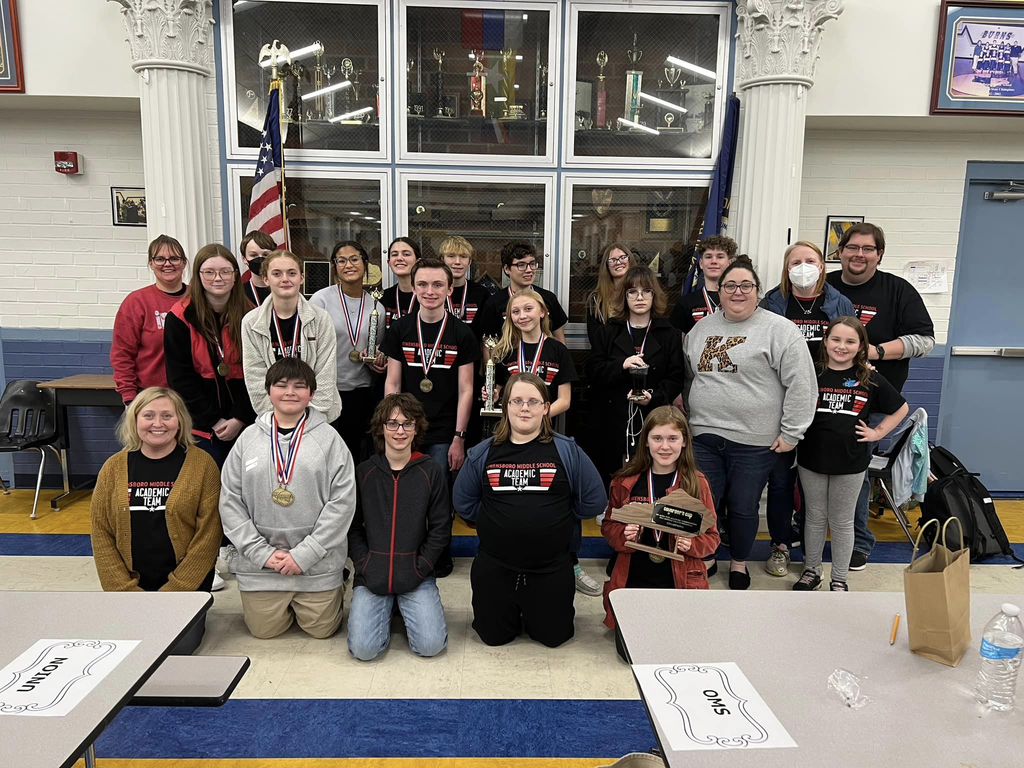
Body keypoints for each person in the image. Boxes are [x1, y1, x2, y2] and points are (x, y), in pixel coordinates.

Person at [683, 258, 817, 589]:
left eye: (746, 286)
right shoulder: (702, 329)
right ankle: (708, 556)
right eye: (730, 286)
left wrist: (791, 433)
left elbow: (802, 384)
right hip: (704, 437)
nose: (738, 292)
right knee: (703, 504)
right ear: (719, 291)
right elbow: (689, 378)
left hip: (755, 442)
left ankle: (739, 563)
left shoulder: (780, 330)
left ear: (758, 291)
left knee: (744, 507)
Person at [453, 373, 607, 648]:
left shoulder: (567, 451)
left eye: (533, 401)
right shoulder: (483, 453)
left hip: (551, 569)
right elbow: (464, 502)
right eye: (517, 401)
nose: (525, 408)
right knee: (493, 638)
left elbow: (593, 500)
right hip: (495, 568)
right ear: (506, 406)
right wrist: (496, 520)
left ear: (546, 407)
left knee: (554, 638)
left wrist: (557, 516)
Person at [219, 358, 356, 639]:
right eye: (281, 385)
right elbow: (230, 501)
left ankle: (335, 584)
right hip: (261, 567)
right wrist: (262, 553)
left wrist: (305, 554)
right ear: (268, 391)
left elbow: (343, 502)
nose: (290, 392)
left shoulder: (330, 439)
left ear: (312, 394)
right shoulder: (247, 440)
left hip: (317, 565)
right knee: (264, 631)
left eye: (299, 386)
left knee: (322, 631)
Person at [825, 222, 935, 570]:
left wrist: (877, 352)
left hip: (870, 405)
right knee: (811, 465)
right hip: (820, 397)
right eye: (852, 247)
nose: (859, 254)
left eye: (867, 249)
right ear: (839, 252)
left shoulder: (898, 290)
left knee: (853, 474)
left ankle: (858, 541)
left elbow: (924, 341)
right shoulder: (822, 285)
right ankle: (809, 528)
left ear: (879, 254)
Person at [90, 388, 221, 654]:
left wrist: (175, 591)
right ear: (135, 419)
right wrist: (125, 592)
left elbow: (209, 536)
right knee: (123, 649)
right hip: (130, 589)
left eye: (167, 416)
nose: (157, 424)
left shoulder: (202, 464)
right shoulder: (114, 467)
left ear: (180, 421)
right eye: (148, 415)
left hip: (184, 591)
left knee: (173, 650)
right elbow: (101, 533)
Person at [758, 241, 855, 577]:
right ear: (786, 268)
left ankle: (819, 553)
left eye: (810, 260)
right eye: (796, 261)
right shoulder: (772, 302)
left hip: (828, 402)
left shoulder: (838, 302)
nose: (803, 266)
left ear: (821, 266)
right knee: (781, 481)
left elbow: (852, 342)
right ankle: (781, 545)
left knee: (820, 480)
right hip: (782, 402)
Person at [794, 317, 908, 592]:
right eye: (836, 339)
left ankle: (839, 578)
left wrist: (878, 432)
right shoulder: (813, 372)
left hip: (851, 461)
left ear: (860, 346)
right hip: (812, 458)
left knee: (842, 520)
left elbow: (900, 408)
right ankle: (812, 571)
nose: (841, 346)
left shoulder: (868, 377)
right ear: (825, 341)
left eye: (850, 341)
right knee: (815, 517)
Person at [381, 259, 479, 578]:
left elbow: (467, 390)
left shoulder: (462, 333)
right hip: (405, 429)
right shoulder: (401, 328)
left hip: (444, 431)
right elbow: (393, 383)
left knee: (439, 498)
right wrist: (391, 427)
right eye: (422, 284)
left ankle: (440, 552)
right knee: (405, 494)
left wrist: (459, 438)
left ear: (450, 289)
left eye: (438, 285)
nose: (429, 291)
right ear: (414, 287)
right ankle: (408, 549)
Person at [601, 406, 720, 641]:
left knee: (673, 646)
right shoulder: (624, 481)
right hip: (634, 577)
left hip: (679, 581)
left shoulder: (697, 483)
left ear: (684, 441)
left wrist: (692, 544)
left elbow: (713, 538)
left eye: (672, 439)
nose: (665, 447)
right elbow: (608, 525)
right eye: (657, 438)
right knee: (631, 652)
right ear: (646, 441)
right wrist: (624, 533)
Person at [347, 394, 450, 661]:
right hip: (373, 576)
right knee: (363, 650)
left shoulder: (431, 471)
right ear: (381, 428)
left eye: (407, 423)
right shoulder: (364, 472)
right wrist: (364, 563)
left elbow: (440, 528)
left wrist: (421, 566)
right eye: (392, 423)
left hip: (415, 576)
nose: (400, 431)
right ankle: (389, 607)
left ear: (417, 428)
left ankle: (402, 605)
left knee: (431, 646)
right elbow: (352, 527)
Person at [586, 265, 685, 485]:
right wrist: (621, 364)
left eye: (646, 291)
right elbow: (592, 372)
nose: (639, 297)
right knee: (614, 474)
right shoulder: (607, 331)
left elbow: (676, 377)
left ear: (654, 295)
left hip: (652, 416)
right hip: (613, 418)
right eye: (632, 292)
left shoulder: (669, 334)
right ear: (624, 296)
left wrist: (654, 397)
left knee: (649, 471)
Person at [164, 244, 256, 468]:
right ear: (198, 275)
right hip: (201, 424)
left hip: (246, 421)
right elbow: (180, 377)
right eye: (209, 272)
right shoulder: (179, 317)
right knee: (207, 488)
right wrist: (214, 420)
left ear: (235, 275)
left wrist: (239, 418)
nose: (218, 278)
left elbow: (259, 373)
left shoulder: (252, 315)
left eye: (225, 271)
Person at [240, 249, 342, 422]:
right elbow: (255, 376)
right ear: (266, 279)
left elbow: (326, 373)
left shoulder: (321, 319)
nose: (285, 279)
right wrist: (277, 417)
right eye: (277, 274)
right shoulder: (251, 323)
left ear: (301, 278)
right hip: (273, 418)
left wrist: (311, 417)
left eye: (292, 273)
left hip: (319, 417)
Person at [309, 241, 385, 461]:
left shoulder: (375, 306)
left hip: (360, 393)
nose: (348, 265)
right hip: (326, 390)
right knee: (323, 454)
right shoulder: (320, 300)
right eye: (341, 260)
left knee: (351, 453)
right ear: (335, 266)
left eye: (354, 259)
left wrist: (375, 361)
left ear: (365, 263)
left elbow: (375, 353)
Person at [111, 235, 188, 407]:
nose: (167, 264)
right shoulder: (136, 302)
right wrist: (129, 397)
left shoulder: (198, 299)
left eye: (174, 258)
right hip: (148, 396)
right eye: (160, 259)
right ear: (151, 264)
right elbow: (122, 354)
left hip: (192, 397)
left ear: (184, 262)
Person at [489, 290, 578, 416]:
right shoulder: (505, 351)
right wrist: (494, 396)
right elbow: (499, 390)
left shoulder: (559, 350)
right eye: (515, 312)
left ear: (542, 312)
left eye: (528, 309)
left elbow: (564, 400)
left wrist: (537, 418)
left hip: (544, 428)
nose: (522, 316)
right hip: (511, 427)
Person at [479, 241, 568, 349]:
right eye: (521, 265)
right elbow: (488, 344)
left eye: (532, 264)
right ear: (507, 269)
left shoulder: (548, 298)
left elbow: (560, 339)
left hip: (543, 362)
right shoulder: (494, 303)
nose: (529, 270)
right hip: (508, 364)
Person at [669, 235, 737, 343]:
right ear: (701, 263)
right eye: (708, 256)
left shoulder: (739, 300)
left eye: (720, 257)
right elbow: (675, 345)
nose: (713, 261)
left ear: (729, 264)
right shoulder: (686, 303)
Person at [439, 235, 490, 337]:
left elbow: (485, 334)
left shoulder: (481, 294)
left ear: (469, 261)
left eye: (463, 257)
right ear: (442, 260)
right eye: (451, 256)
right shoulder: (433, 292)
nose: (457, 262)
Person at [586, 242, 635, 345]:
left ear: (630, 260)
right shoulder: (596, 299)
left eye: (623, 257)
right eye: (612, 260)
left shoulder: (643, 294)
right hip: (609, 357)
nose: (618, 262)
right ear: (606, 266)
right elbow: (595, 340)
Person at [381, 237, 420, 330]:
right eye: (394, 254)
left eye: (406, 254)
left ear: (418, 261)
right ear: (389, 262)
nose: (399, 258)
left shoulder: (429, 296)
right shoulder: (384, 298)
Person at [239, 230, 276, 307]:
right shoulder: (239, 293)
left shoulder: (282, 288)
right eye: (254, 255)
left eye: (265, 255)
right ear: (244, 259)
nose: (260, 259)